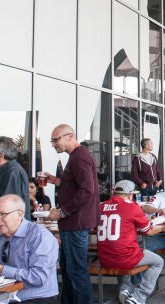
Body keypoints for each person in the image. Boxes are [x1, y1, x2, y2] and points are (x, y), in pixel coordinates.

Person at [44, 124, 99, 304]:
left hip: (75, 222)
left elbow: (86, 190)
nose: (53, 144)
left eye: (56, 139)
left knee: (75, 270)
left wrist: (62, 211)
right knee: (69, 270)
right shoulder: (76, 156)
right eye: (52, 140)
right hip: (73, 222)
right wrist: (54, 180)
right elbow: (76, 186)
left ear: (69, 136)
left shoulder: (79, 157)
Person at [99, 180, 163, 304]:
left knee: (122, 246)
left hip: (104, 258)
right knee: (158, 261)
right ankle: (138, 296)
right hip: (125, 257)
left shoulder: (101, 206)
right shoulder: (132, 206)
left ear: (113, 192)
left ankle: (125, 288)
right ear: (130, 195)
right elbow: (147, 231)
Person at [0, 136, 31, 223]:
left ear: (1, 156)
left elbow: (8, 208)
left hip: (9, 232)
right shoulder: (6, 172)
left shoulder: (12, 173)